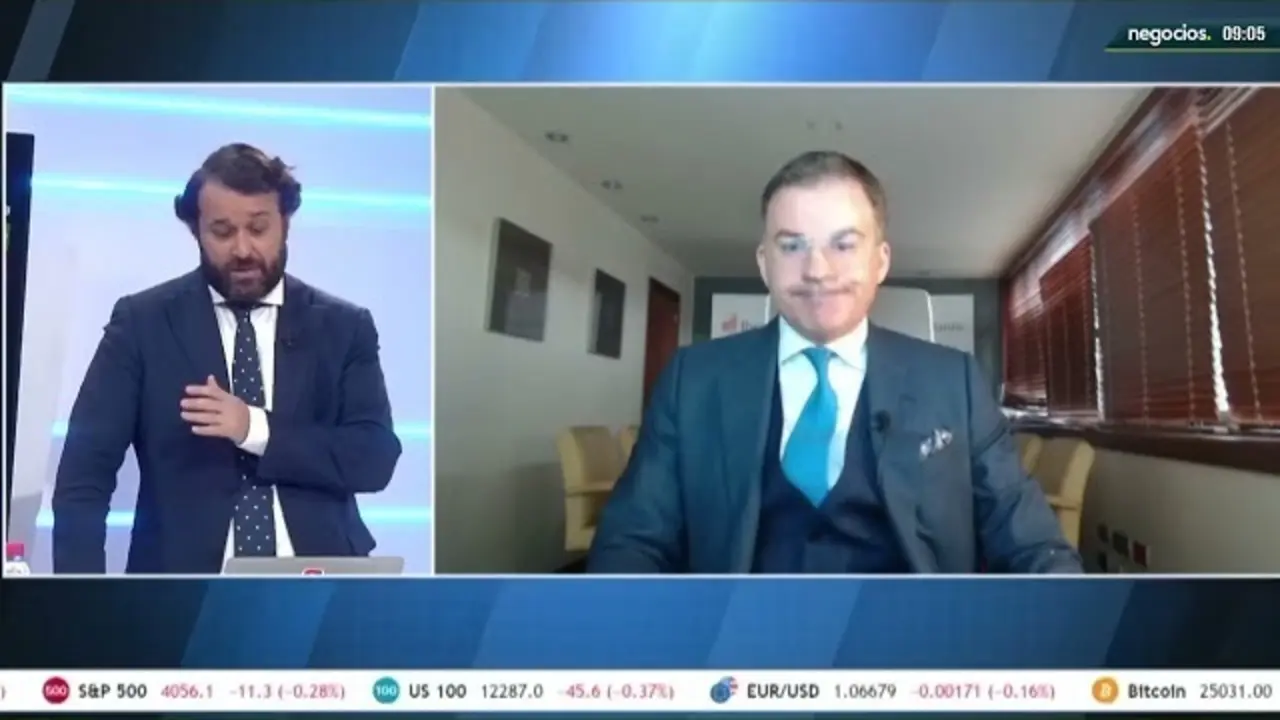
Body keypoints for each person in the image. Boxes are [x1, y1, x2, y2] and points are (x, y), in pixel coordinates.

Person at [589, 151, 1081, 574]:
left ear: (880, 261)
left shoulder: (955, 383)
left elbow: (1031, 542)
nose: (817, 270)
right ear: (764, 263)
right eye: (792, 245)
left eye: (843, 245)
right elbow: (632, 541)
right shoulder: (692, 381)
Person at [52, 143, 401, 574]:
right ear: (195, 230)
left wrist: (253, 428)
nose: (242, 249)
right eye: (222, 231)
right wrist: (82, 596)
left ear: (285, 224)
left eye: (258, 228)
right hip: (184, 589)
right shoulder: (143, 324)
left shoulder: (344, 327)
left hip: (320, 581)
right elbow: (84, 477)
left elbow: (374, 459)